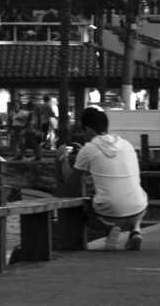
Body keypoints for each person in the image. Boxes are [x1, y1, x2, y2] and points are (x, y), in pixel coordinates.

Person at [57, 106, 147, 251]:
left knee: (86, 213)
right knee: (140, 194)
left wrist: (63, 158)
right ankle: (135, 231)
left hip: (108, 212)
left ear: (89, 130)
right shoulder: (127, 144)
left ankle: (109, 230)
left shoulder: (89, 149)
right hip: (138, 209)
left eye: (82, 131)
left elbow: (70, 180)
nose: (82, 135)